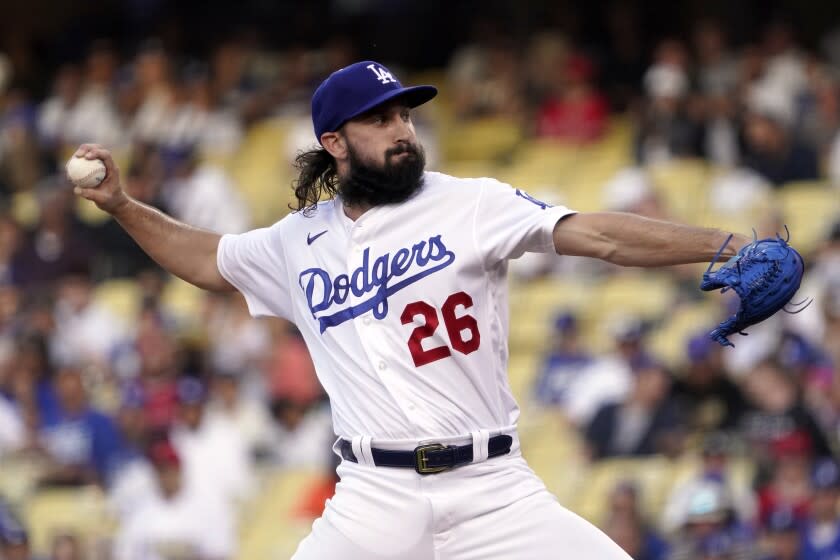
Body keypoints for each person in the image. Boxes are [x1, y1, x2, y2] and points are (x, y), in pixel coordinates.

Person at [71, 60, 752, 559]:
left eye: (404, 114)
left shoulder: (470, 202)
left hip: (492, 488)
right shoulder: (295, 243)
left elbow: (597, 234)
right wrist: (125, 208)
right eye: (379, 118)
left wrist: (722, 245)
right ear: (334, 143)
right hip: (375, 498)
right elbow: (204, 260)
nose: (401, 129)